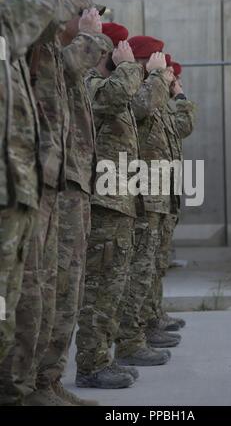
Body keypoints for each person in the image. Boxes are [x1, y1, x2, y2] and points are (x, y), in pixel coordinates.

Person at [0, 0, 100, 407]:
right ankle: (22, 388)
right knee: (25, 297)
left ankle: (39, 384)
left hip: (40, 181)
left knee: (46, 290)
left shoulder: (37, 45)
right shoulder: (19, 31)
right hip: (32, 185)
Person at [75, 26, 145, 389]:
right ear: (110, 53)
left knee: (113, 288)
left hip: (119, 204)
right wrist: (129, 68)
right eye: (121, 50)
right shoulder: (93, 85)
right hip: (102, 205)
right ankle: (90, 365)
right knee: (99, 289)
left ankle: (104, 358)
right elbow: (115, 96)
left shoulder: (112, 89)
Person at [115, 36, 180, 367]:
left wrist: (175, 92)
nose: (166, 74)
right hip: (138, 196)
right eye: (156, 64)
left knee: (149, 269)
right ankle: (130, 339)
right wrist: (155, 79)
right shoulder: (133, 93)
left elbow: (182, 126)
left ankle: (142, 330)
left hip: (155, 196)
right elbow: (138, 108)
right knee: (137, 271)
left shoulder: (153, 96)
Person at [144, 58, 196, 334]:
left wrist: (181, 96)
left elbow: (184, 126)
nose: (173, 82)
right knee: (146, 265)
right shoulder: (147, 102)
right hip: (148, 195)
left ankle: (154, 314)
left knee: (158, 262)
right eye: (170, 77)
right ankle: (143, 325)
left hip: (165, 195)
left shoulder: (163, 107)